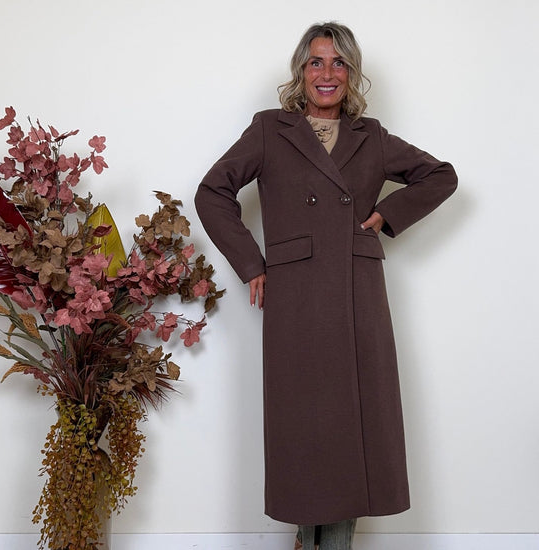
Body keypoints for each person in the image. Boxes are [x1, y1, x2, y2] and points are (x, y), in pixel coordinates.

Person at [195, 22, 457, 550]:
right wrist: (252, 264)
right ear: (301, 71)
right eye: (317, 61)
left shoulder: (371, 135)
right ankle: (306, 537)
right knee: (305, 418)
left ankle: (333, 544)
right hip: (296, 294)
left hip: (358, 290)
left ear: (352, 73)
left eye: (339, 63)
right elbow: (212, 192)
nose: (327, 73)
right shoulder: (270, 129)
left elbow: (441, 175)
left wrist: (386, 214)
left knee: (354, 419)